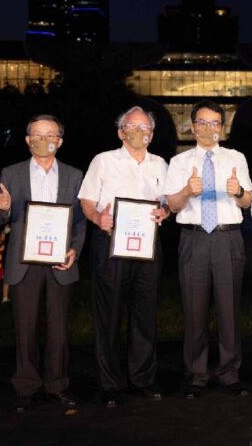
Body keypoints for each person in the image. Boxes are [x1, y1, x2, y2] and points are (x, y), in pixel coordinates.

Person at [0, 114, 86, 412]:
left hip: (60, 261)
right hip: (25, 261)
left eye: (50, 135)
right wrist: (2, 208)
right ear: (27, 140)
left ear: (60, 140)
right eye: (37, 134)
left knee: (59, 330)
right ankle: (26, 387)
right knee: (25, 328)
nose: (43, 140)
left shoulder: (74, 175)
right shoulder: (11, 173)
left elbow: (80, 221)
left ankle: (57, 385)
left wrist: (75, 249)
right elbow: (0, 218)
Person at [78, 106, 169, 408]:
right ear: (121, 132)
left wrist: (165, 211)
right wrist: (97, 218)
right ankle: (110, 384)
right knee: (109, 315)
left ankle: (141, 379)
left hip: (147, 246)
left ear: (151, 135)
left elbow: (167, 202)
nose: (139, 132)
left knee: (145, 314)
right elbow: (87, 201)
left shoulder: (160, 164)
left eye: (145, 128)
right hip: (110, 245)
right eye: (132, 126)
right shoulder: (103, 161)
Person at [164, 100, 252, 398]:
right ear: (192, 128)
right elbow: (172, 205)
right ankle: (196, 374)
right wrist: (187, 191)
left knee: (229, 308)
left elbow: (247, 202)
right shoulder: (179, 161)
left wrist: (238, 191)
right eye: (202, 123)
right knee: (194, 309)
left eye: (214, 123)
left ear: (222, 128)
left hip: (227, 237)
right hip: (194, 238)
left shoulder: (236, 157)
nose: (208, 128)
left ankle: (229, 372)